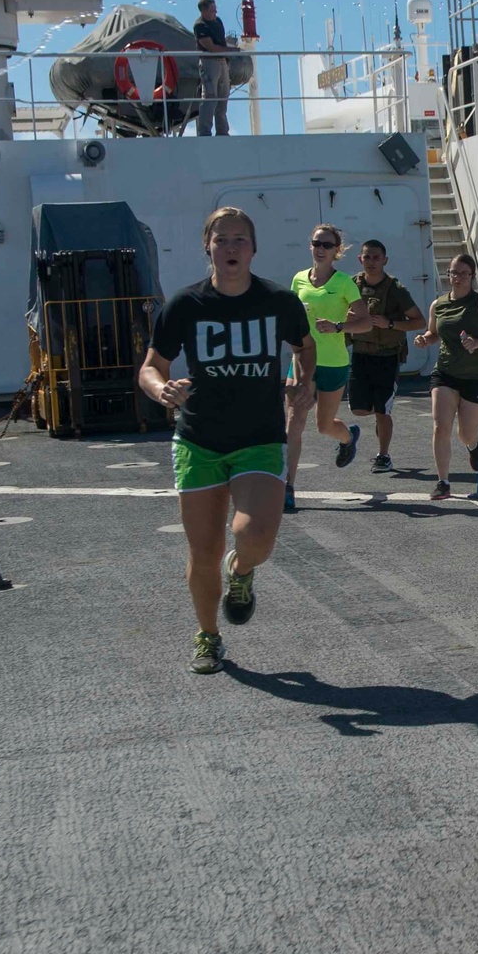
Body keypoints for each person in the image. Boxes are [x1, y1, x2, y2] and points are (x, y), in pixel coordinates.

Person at [139, 207, 316, 674]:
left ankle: (242, 574)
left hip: (259, 437)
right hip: (198, 439)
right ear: (208, 247)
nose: (231, 247)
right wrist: (163, 390)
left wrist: (304, 379)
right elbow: (151, 367)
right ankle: (208, 636)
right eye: (222, 239)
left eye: (240, 239)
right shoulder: (184, 305)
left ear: (254, 249)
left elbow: (304, 345)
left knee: (254, 537)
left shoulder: (278, 301)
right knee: (203, 552)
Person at [284, 224, 372, 511]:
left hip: (333, 362)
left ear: (337, 251)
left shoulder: (345, 283)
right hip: (301, 362)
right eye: (316, 243)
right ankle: (288, 486)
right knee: (294, 422)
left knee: (324, 426)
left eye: (327, 245)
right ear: (310, 246)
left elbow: (365, 322)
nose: (320, 249)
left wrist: (338, 326)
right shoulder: (298, 280)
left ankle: (348, 437)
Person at [413, 254, 478, 501]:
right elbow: (433, 331)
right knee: (440, 426)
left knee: (466, 433)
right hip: (445, 373)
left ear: (472, 276)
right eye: (454, 273)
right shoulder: (438, 304)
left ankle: (473, 446)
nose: (458, 278)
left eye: (464, 273)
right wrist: (426, 339)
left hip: (476, 374)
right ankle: (443, 482)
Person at [348, 240, 426, 471]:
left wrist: (390, 323)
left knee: (383, 409)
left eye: (375, 257)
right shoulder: (351, 285)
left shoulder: (396, 290)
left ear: (385, 260)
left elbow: (419, 321)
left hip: (387, 356)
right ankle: (378, 416)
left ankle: (383, 455)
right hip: (361, 354)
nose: (371, 262)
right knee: (358, 409)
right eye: (367, 257)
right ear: (360, 260)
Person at [193, 0, 238, 137]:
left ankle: (222, 131)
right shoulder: (200, 26)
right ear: (204, 11)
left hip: (222, 62)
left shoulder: (217, 21)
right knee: (210, 97)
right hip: (209, 62)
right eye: (212, 10)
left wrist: (227, 55)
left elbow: (220, 44)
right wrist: (233, 51)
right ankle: (205, 132)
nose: (215, 12)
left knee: (223, 97)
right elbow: (211, 48)